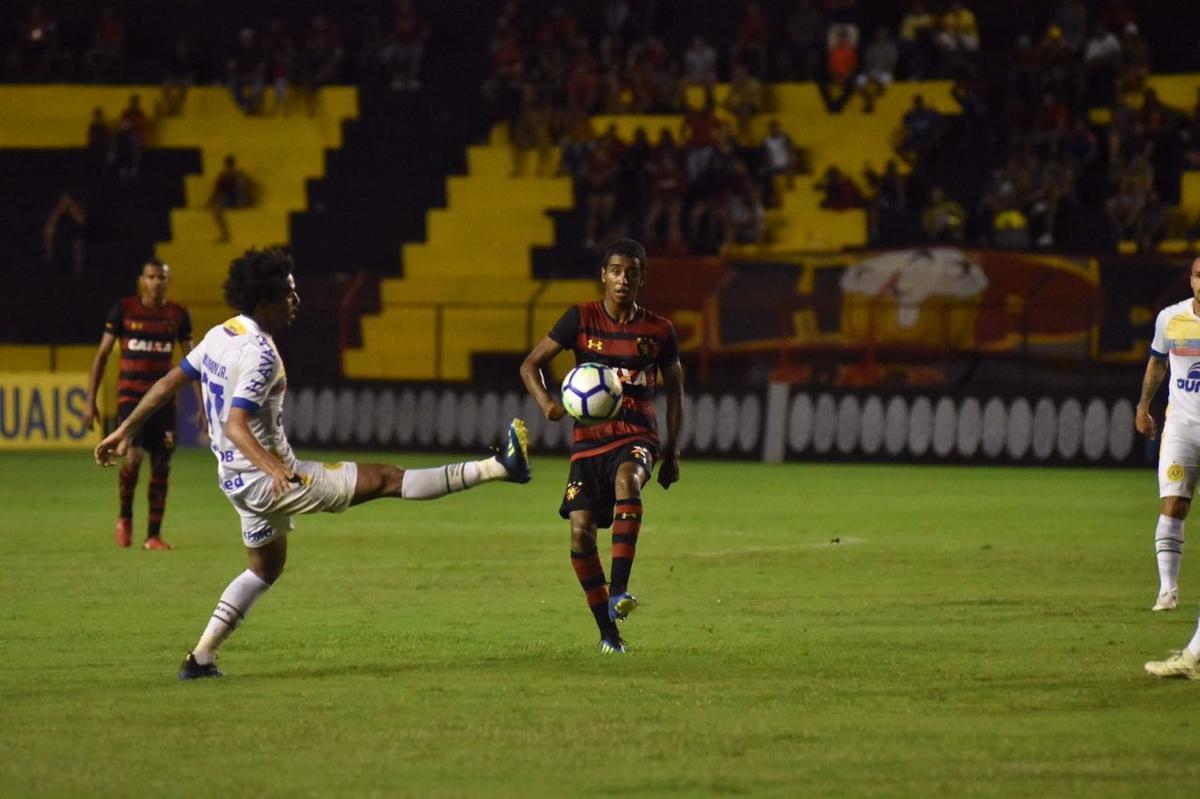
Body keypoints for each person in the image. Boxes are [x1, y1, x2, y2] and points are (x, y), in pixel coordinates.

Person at [94, 248, 533, 680]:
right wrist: (272, 469)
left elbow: (173, 378)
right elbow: (234, 423)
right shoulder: (261, 356)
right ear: (264, 303)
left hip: (234, 479)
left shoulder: (221, 333)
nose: (295, 300)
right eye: (288, 293)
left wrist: (125, 428)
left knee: (265, 568)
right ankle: (499, 468)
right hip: (270, 480)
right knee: (385, 479)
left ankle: (201, 658)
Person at [519, 238, 683, 654]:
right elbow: (530, 365)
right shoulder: (580, 319)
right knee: (580, 534)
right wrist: (547, 403)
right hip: (588, 444)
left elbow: (677, 392)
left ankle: (620, 590)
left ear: (642, 278)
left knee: (629, 480)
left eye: (631, 271)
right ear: (603, 276)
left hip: (636, 437)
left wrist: (672, 453)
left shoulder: (660, 331)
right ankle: (608, 633)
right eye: (615, 270)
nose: (623, 278)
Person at [84, 259, 204, 551]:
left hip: (163, 403)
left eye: (162, 277)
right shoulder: (123, 310)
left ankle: (153, 535)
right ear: (142, 280)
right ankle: (125, 516)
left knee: (162, 463)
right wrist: (90, 400)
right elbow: (101, 355)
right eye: (151, 277)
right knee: (133, 457)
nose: (156, 282)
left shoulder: (178, 315)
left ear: (168, 281)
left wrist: (203, 403)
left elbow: (194, 362)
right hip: (131, 399)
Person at [1141, 257, 1200, 678]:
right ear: (1191, 279)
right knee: (1173, 504)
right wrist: (1143, 405)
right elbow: (1157, 364)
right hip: (1181, 426)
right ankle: (1168, 590)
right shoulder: (1171, 318)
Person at [207, 155, 254, 243]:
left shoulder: (224, 175)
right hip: (239, 201)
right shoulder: (240, 173)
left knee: (217, 212)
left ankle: (225, 235)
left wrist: (209, 203)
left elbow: (216, 191)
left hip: (233, 201)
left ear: (226, 164)